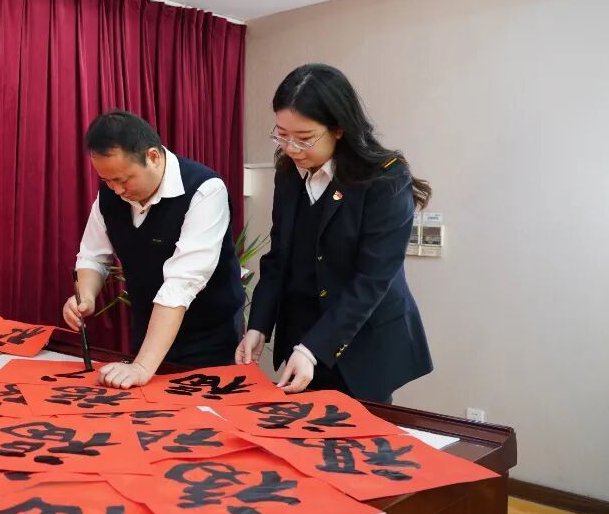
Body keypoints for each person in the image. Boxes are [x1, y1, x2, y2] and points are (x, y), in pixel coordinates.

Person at [236, 63, 433, 403]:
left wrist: (313, 349)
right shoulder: (288, 173)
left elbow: (372, 279)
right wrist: (258, 326)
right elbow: (279, 257)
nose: (291, 148)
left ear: (339, 129)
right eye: (282, 135)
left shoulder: (385, 179)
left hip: (361, 343)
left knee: (359, 433)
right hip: (302, 335)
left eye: (304, 138)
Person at [63, 111, 243, 389]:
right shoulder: (110, 195)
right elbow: (92, 256)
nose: (117, 190)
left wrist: (142, 366)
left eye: (124, 180)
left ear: (153, 157)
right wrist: (85, 295)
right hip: (149, 335)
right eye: (108, 181)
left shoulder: (204, 190)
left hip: (209, 341)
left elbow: (181, 284)